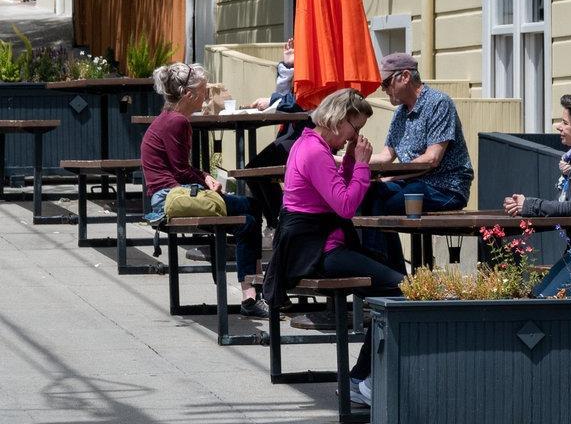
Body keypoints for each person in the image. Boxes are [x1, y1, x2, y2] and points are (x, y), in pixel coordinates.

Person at [262, 88, 403, 410]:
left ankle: (362, 378)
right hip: (315, 251)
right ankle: (363, 380)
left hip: (317, 244)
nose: (357, 136)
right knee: (400, 291)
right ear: (340, 120)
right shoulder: (315, 151)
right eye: (357, 129)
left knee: (395, 287)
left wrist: (352, 160)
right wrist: (363, 165)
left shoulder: (312, 144)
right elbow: (345, 205)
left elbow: (338, 192)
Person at [141, 62, 268, 317]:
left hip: (165, 196)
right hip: (172, 198)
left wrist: (205, 177)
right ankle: (252, 293)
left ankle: (253, 292)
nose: (205, 95)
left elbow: (181, 169)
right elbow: (180, 171)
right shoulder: (177, 121)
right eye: (202, 91)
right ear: (188, 95)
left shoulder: (167, 118)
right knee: (250, 213)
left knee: (249, 215)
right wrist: (207, 178)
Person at [503, 90, 571, 297]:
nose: (559, 127)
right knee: (536, 295)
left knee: (545, 301)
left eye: (565, 123)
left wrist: (528, 205)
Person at [364, 52, 474, 216]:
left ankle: (375, 242)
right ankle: (381, 243)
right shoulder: (400, 112)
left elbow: (432, 159)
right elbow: (386, 156)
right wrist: (347, 160)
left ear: (405, 76)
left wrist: (391, 177)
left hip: (446, 187)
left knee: (390, 204)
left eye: (386, 83)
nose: (384, 90)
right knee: (369, 192)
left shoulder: (439, 103)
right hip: (412, 183)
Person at [243, 38, 313, 232]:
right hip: (293, 131)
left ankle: (281, 222)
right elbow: (285, 97)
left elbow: (303, 100)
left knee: (256, 170)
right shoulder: (302, 69)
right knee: (253, 171)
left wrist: (273, 100)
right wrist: (288, 65)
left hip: (309, 133)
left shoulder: (318, 67)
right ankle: (277, 222)